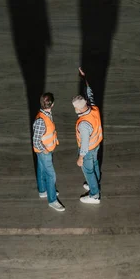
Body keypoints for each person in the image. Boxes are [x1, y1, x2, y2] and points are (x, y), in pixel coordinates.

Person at [72, 68, 103, 205]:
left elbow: (84, 143)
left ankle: (94, 195)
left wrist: (80, 158)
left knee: (88, 170)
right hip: (96, 144)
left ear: (78, 109)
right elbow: (90, 93)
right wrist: (85, 79)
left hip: (88, 149)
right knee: (95, 165)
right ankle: (94, 184)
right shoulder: (94, 108)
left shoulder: (83, 124)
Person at [33, 92, 65, 212]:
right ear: (52, 104)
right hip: (44, 151)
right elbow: (36, 141)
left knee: (41, 169)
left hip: (44, 151)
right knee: (51, 175)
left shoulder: (45, 114)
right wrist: (45, 150)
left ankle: (43, 191)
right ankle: (52, 200)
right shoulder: (41, 120)